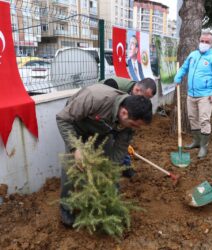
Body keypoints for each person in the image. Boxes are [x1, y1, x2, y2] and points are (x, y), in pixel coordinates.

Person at [56, 84, 153, 226]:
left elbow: (119, 149)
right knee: (71, 167)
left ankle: (108, 202)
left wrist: (109, 171)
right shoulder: (94, 97)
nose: (135, 129)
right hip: (75, 125)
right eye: (134, 125)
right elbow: (63, 119)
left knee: (105, 164)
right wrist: (76, 148)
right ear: (124, 113)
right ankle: (66, 207)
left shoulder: (129, 122)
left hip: (101, 130)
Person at [174, 32, 212, 159]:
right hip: (191, 94)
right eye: (202, 41)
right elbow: (184, 68)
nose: (204, 44)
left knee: (204, 120)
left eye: (207, 42)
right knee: (192, 118)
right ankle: (196, 142)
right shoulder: (193, 55)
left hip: (206, 96)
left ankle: (203, 146)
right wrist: (178, 77)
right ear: (199, 40)